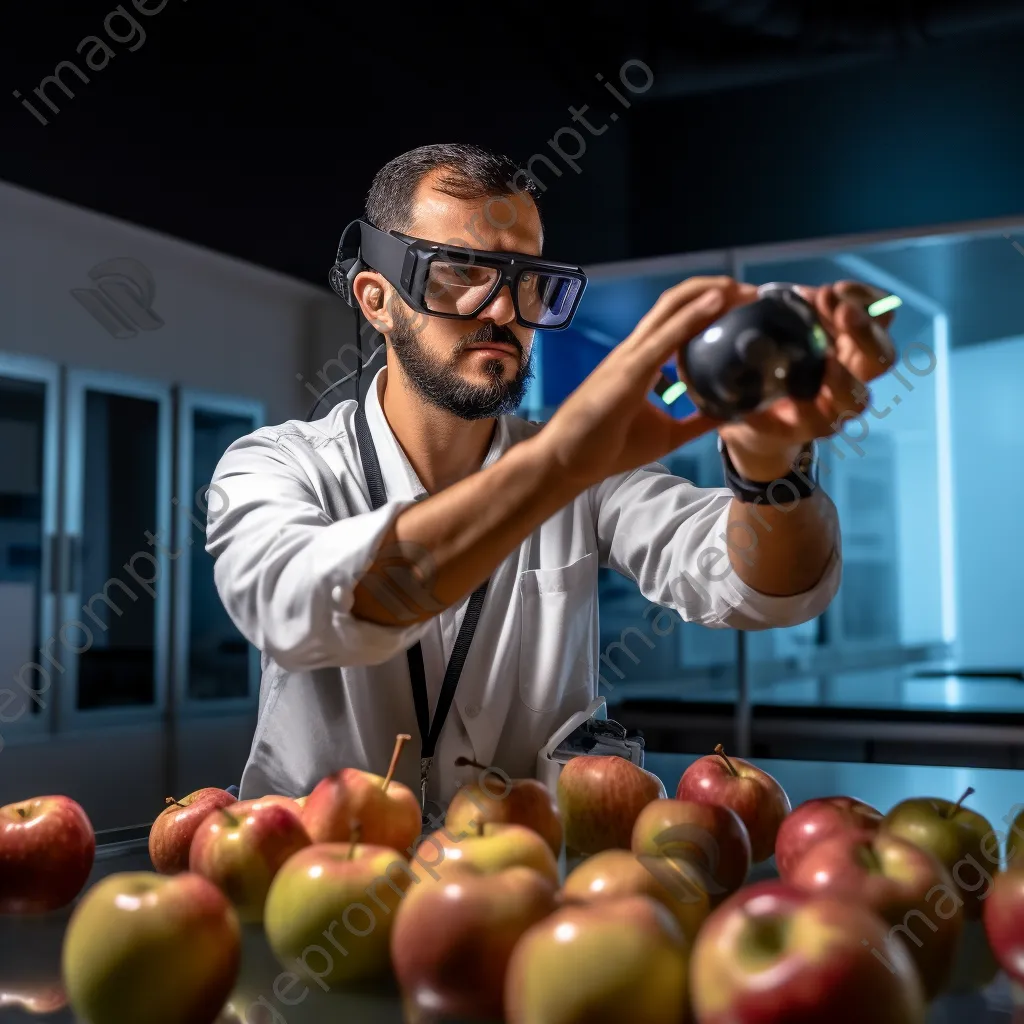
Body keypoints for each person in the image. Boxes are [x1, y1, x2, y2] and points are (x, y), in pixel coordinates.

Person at [206, 143, 897, 812]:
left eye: (526, 281)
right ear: (376, 298)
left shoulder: (589, 475)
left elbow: (766, 588)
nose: (504, 310)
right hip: (315, 892)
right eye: (460, 273)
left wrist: (768, 462)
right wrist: (560, 462)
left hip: (529, 897)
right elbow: (298, 611)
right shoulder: (273, 464)